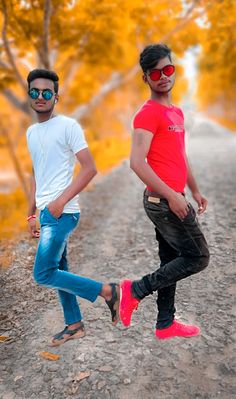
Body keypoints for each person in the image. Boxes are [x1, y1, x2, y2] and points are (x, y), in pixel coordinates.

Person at [119, 44, 210, 339]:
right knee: (198, 257)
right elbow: (136, 162)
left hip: (175, 196)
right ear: (146, 78)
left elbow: (180, 155)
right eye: (155, 72)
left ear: (174, 71)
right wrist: (173, 196)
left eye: (167, 69)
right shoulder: (147, 114)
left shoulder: (175, 112)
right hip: (163, 201)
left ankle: (165, 323)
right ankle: (135, 289)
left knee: (171, 261)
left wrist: (193, 190)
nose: (163, 76)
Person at [26, 69, 119, 346]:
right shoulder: (31, 132)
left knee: (43, 273)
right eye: (34, 91)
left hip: (62, 212)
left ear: (56, 96)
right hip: (46, 212)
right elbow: (36, 173)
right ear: (29, 94)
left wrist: (59, 202)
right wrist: (32, 212)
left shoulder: (68, 126)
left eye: (46, 92)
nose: (40, 96)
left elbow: (90, 169)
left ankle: (107, 292)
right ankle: (74, 325)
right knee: (59, 270)